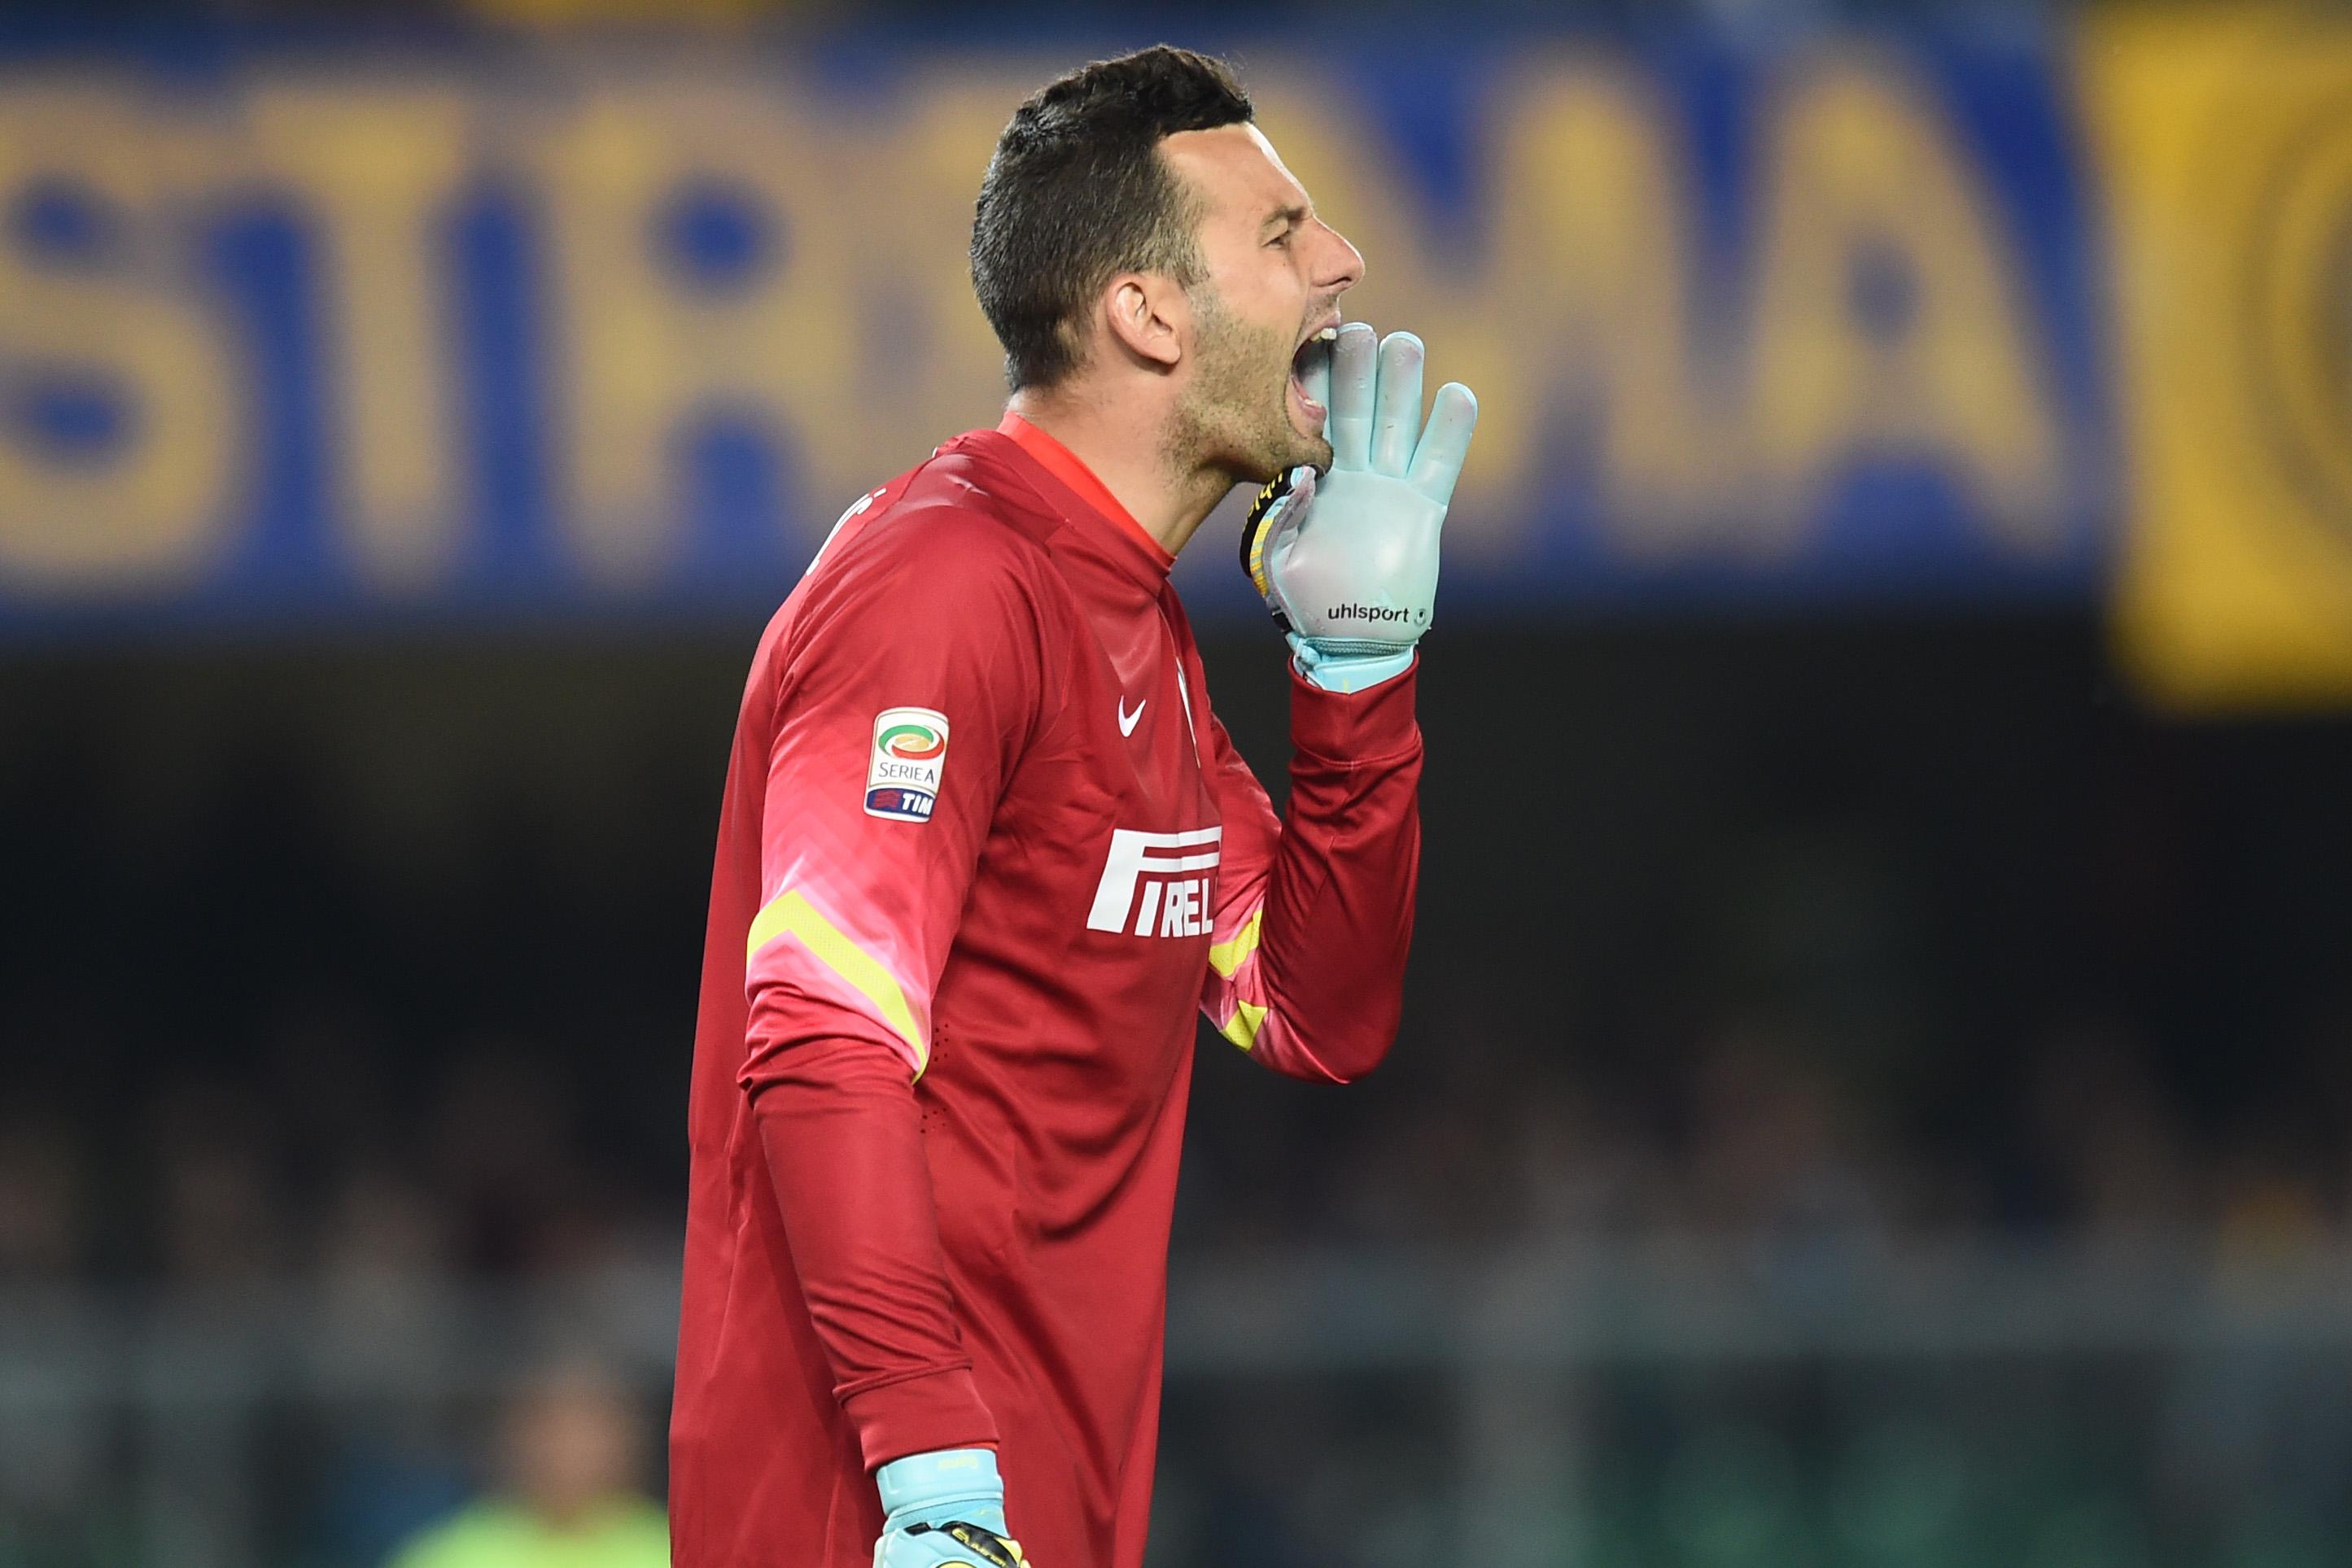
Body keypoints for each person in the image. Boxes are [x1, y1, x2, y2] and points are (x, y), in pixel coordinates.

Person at [670, 45, 1480, 1568]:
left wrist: (1357, 674)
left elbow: (1313, 1010)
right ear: (1146, 313)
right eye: (1283, 232)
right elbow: (824, 1040)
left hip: (1039, 1504)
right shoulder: (941, 585)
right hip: (886, 1518)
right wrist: (934, 1477)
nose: (1341, 260)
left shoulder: (1125, 620)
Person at [386, 1363, 667, 1568]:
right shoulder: (444, 1556)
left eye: (591, 1432)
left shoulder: (673, 1551)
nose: (569, 1450)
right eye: (551, 1431)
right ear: (513, 1439)